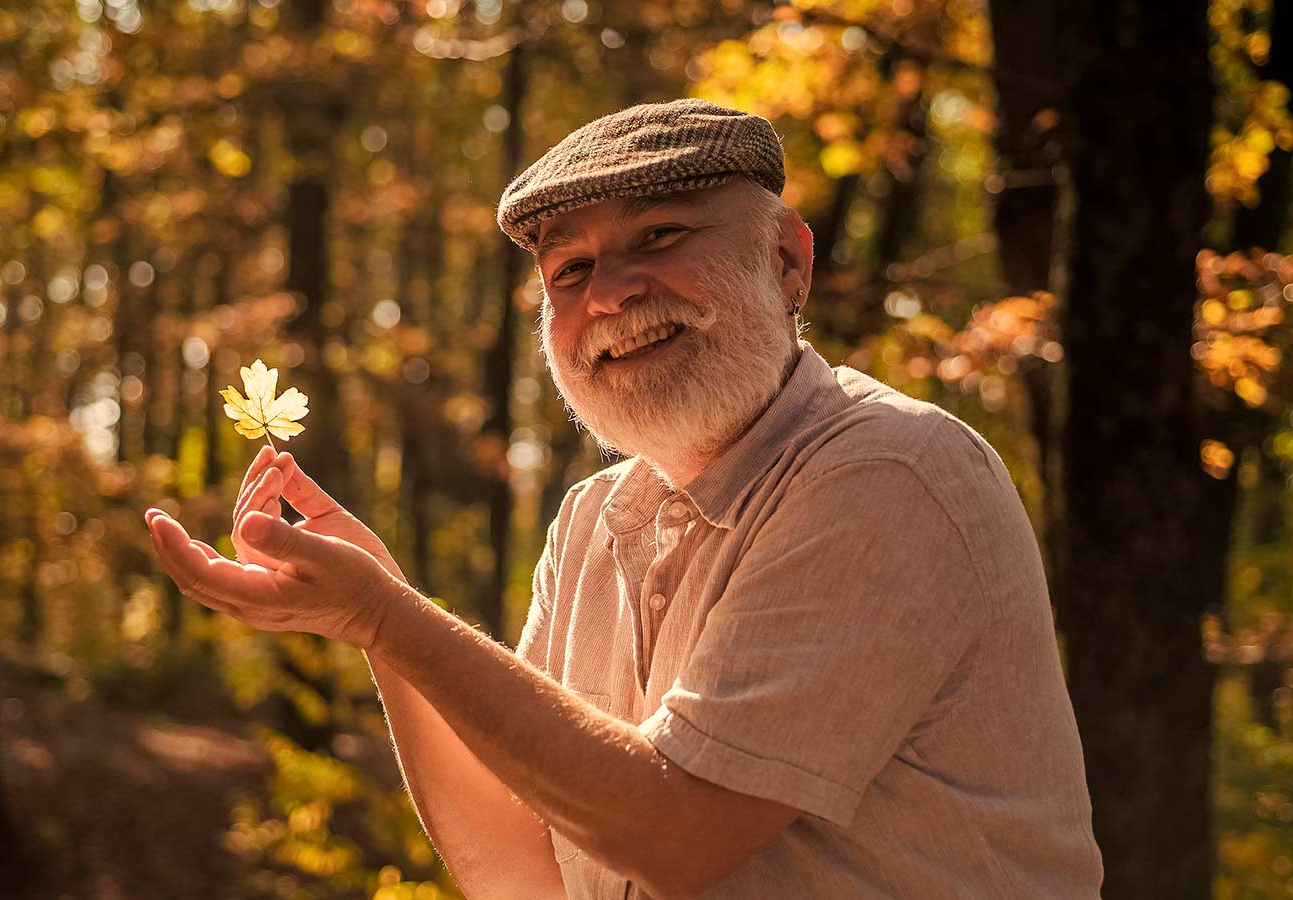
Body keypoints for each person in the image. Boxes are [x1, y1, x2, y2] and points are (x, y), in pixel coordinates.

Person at [145, 98, 1104, 898]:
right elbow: (522, 872)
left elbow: (674, 833)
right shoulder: (592, 521)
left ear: (787, 261)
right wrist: (377, 622)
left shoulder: (888, 471)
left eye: (661, 235)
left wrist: (391, 618)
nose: (611, 293)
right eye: (570, 270)